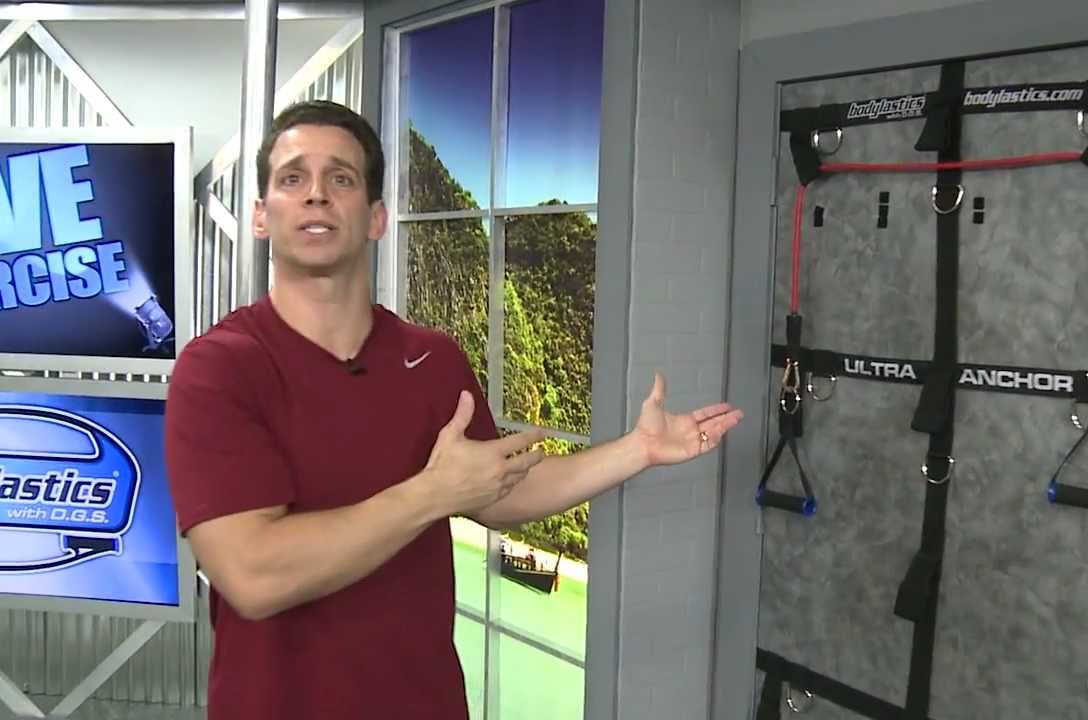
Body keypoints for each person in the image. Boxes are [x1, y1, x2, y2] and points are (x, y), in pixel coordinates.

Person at [163, 99, 743, 719]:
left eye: (341, 178)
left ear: (376, 217)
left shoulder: (431, 358)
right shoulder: (220, 369)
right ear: (261, 215)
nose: (316, 195)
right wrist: (433, 493)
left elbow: (498, 488)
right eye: (292, 178)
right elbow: (253, 576)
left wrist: (638, 449)